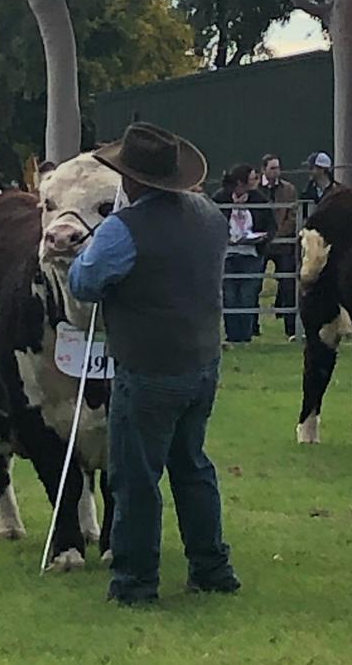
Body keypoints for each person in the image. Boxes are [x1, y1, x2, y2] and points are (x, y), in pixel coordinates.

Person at [68, 122, 240, 606]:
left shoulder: (124, 230)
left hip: (148, 368)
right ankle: (212, 568)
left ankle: (135, 582)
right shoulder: (208, 214)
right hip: (203, 359)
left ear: (132, 180)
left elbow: (85, 282)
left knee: (136, 477)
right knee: (193, 466)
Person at [212, 164, 275, 344]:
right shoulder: (220, 198)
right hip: (227, 254)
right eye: (253, 178)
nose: (256, 182)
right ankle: (232, 335)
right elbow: (211, 221)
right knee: (229, 295)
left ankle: (245, 336)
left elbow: (270, 224)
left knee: (248, 295)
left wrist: (262, 238)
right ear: (241, 182)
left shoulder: (259, 199)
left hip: (251, 253)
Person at [257, 154, 298, 339]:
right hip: (261, 243)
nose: (276, 171)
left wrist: (279, 233)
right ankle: (251, 328)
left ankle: (291, 329)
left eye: (278, 167)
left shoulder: (289, 189)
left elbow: (293, 214)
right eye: (272, 168)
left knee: (288, 285)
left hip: (283, 244)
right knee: (255, 284)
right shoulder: (256, 189)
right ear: (263, 169)